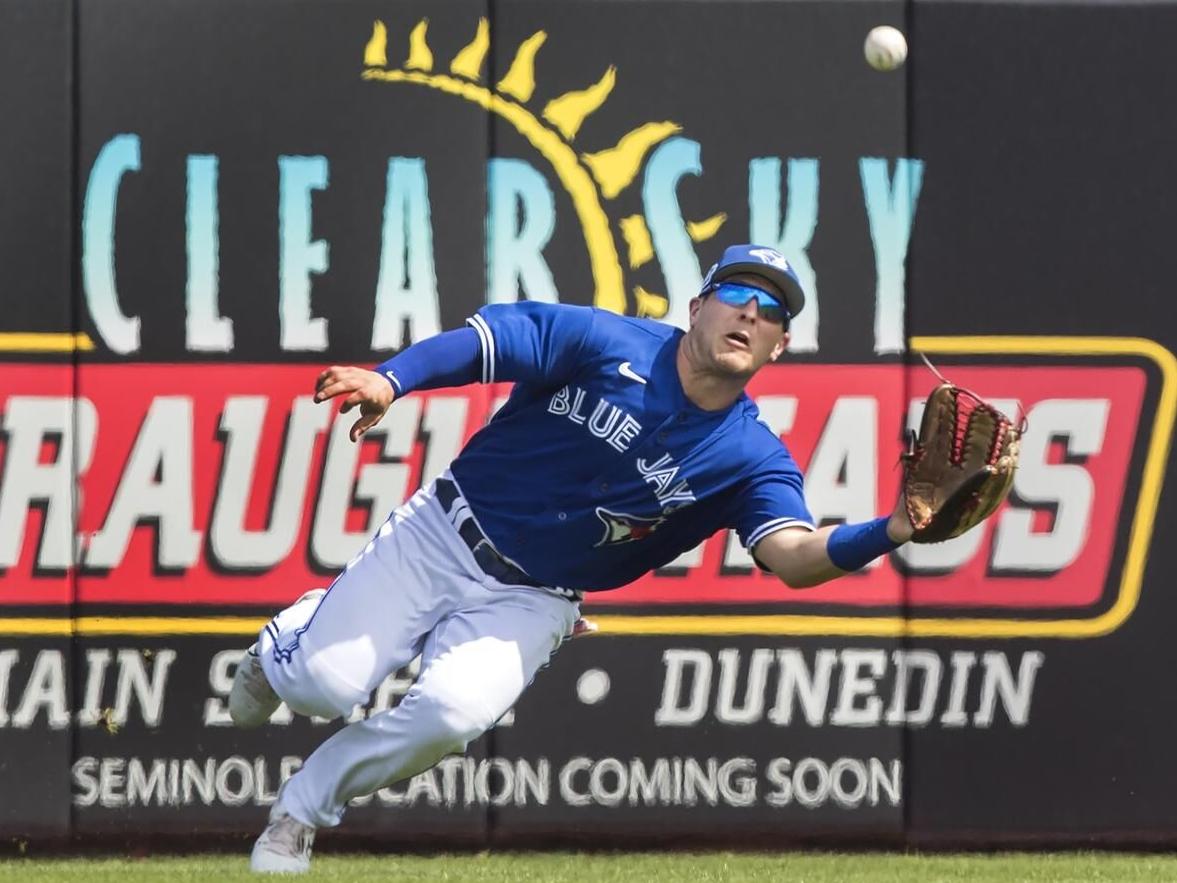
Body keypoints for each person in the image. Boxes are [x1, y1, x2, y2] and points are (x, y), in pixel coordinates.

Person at [232, 244, 916, 873]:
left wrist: (892, 527)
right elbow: (485, 343)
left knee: (451, 715)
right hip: (442, 533)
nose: (750, 313)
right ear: (696, 307)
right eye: (737, 292)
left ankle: (298, 813)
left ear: (779, 345)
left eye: (771, 311)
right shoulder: (607, 340)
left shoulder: (750, 458)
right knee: (318, 686)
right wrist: (390, 379)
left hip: (536, 598)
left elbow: (792, 556)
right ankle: (281, 648)